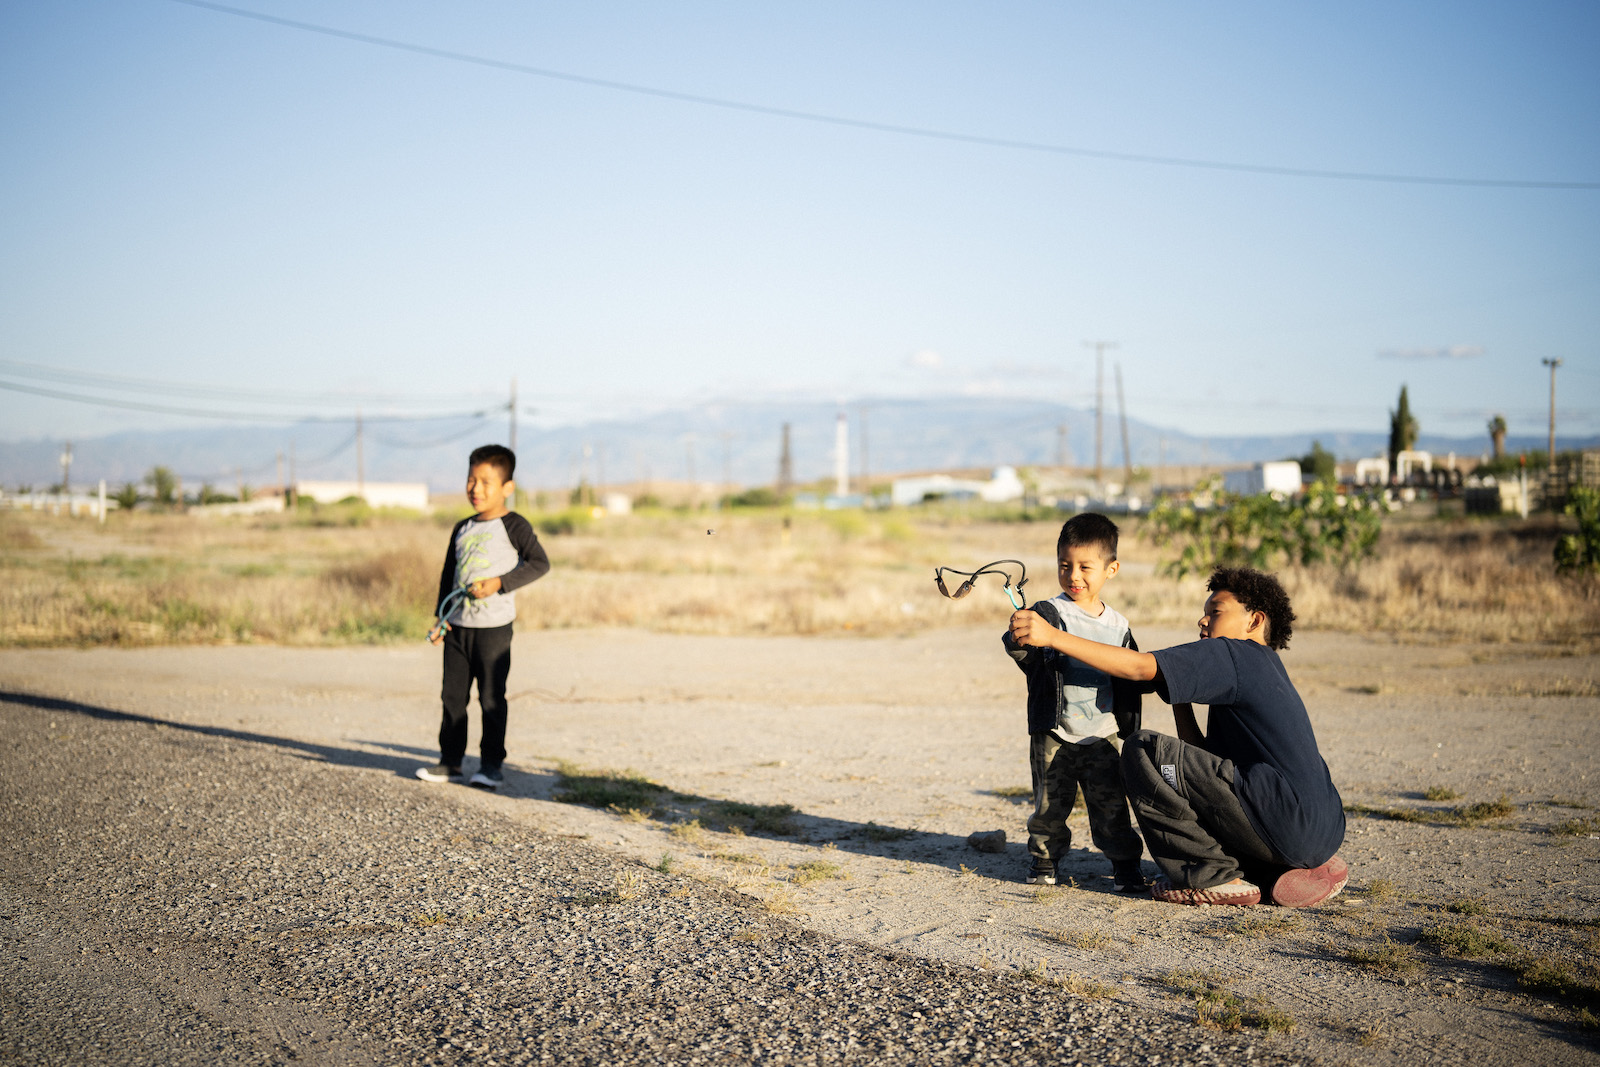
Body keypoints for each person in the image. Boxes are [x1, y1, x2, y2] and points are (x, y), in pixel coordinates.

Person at [1008, 566, 1347, 908]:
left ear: (1254, 621)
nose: (1203, 621)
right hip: (1321, 829)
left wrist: (1052, 636)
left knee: (1142, 749)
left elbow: (1140, 667)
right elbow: (1202, 764)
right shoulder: (1266, 666)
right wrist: (1178, 688)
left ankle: (1213, 875)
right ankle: (1279, 869)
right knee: (1185, 768)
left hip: (1284, 818)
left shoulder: (1233, 652)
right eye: (1203, 613)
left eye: (1215, 613)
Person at [1001, 513, 1150, 892]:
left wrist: (1128, 729)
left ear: (1111, 569)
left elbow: (1130, 678)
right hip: (1055, 733)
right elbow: (1029, 660)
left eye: (1086, 567)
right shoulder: (1048, 613)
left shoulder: (1119, 626)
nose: (1074, 576)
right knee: (1050, 807)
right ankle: (1044, 861)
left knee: (1113, 809)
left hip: (1103, 735)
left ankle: (1126, 867)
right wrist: (1019, 639)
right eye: (1065, 566)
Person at [415, 444, 550, 791]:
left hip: (493, 630)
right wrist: (440, 619)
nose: (476, 489)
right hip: (458, 628)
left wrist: (499, 583)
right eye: (471, 480)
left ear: (507, 488)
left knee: (491, 699)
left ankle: (491, 766)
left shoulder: (514, 525)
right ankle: (450, 763)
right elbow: (449, 575)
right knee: (452, 698)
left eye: (486, 482)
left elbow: (539, 563)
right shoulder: (462, 528)